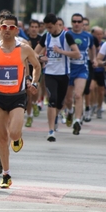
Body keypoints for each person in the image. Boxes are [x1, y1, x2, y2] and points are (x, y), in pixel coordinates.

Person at [0, 14, 41, 188]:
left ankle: (18, 138)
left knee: (14, 133)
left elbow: (37, 66)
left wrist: (34, 82)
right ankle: (6, 175)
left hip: (17, 97)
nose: (7, 30)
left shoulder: (24, 49)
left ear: (17, 30)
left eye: (11, 27)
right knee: (2, 138)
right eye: (4, 27)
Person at [34, 13, 80, 142]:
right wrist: (40, 58)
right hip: (49, 74)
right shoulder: (46, 36)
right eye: (46, 27)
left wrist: (61, 52)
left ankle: (57, 115)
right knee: (52, 100)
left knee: (60, 102)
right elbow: (33, 52)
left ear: (56, 24)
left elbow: (77, 54)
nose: (48, 30)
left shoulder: (67, 36)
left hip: (63, 74)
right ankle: (51, 131)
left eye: (50, 27)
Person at [64, 13, 97, 135]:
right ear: (71, 22)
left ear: (83, 23)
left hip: (82, 69)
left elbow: (92, 48)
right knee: (67, 99)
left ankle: (77, 120)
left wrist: (94, 59)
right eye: (74, 21)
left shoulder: (88, 36)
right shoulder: (66, 35)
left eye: (79, 21)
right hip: (68, 69)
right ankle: (70, 111)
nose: (76, 24)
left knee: (78, 95)